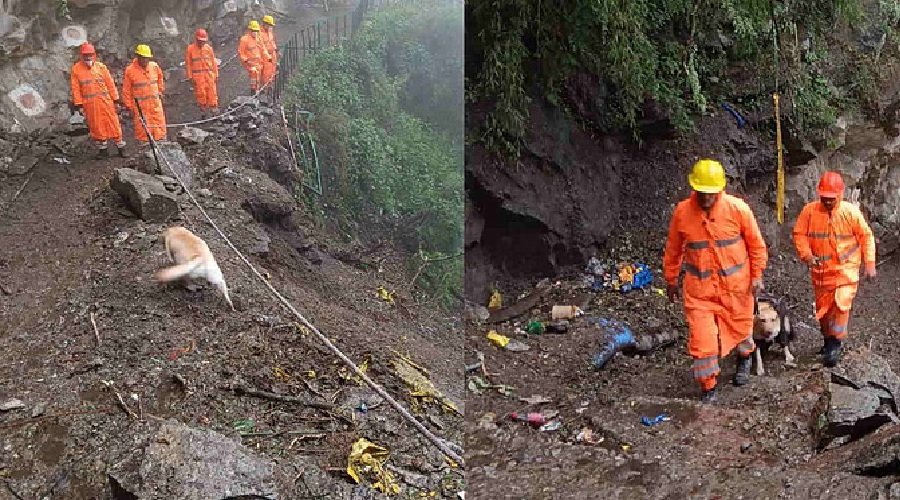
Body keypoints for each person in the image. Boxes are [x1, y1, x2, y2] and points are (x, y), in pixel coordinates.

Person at [663, 159, 768, 403]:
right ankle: (708, 387)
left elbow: (756, 246)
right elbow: (673, 250)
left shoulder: (737, 209)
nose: (706, 198)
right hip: (699, 293)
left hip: (737, 288)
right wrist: (670, 279)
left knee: (742, 331)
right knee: (703, 343)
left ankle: (745, 359)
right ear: (694, 189)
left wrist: (757, 276)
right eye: (702, 193)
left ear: (720, 190)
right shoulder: (682, 213)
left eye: (711, 193)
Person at [792, 171, 876, 367]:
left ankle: (835, 343)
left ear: (840, 195)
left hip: (846, 272)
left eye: (831, 198)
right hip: (821, 275)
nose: (828, 201)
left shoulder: (850, 213)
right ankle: (828, 339)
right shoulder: (810, 212)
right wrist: (807, 256)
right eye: (824, 198)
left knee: (841, 306)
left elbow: (866, 237)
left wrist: (869, 263)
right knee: (825, 312)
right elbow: (799, 234)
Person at [69, 42, 127, 158]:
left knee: (113, 123)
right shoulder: (76, 69)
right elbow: (76, 89)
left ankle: (121, 147)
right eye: (86, 55)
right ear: (82, 55)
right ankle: (103, 149)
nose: (88, 57)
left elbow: (110, 84)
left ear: (94, 55)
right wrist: (79, 105)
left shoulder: (101, 67)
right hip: (90, 104)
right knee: (96, 126)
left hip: (105, 101)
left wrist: (116, 100)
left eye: (90, 54)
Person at [122, 44, 167, 143]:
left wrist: (160, 91)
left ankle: (161, 141)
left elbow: (160, 78)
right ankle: (145, 146)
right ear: (138, 57)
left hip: (155, 103)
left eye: (147, 58)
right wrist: (129, 106)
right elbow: (126, 90)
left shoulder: (154, 66)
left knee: (159, 122)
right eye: (143, 58)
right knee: (142, 128)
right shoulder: (130, 70)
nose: (145, 60)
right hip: (140, 106)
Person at [185, 28, 219, 117]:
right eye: (200, 41)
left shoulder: (208, 49)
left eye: (203, 41)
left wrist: (216, 74)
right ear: (196, 39)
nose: (202, 43)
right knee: (201, 93)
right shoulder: (190, 49)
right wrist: (190, 77)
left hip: (209, 74)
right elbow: (189, 64)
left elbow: (213, 62)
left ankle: (213, 109)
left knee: (212, 91)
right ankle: (203, 111)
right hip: (198, 76)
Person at [238, 20, 270, 94]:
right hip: (250, 64)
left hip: (259, 62)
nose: (255, 32)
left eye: (256, 31)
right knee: (254, 77)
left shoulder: (258, 38)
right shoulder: (244, 40)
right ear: (250, 30)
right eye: (253, 31)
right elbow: (241, 52)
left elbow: (263, 49)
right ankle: (253, 92)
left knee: (260, 77)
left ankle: (258, 91)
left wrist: (269, 58)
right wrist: (246, 61)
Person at [260, 15, 278, 90]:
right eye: (269, 25)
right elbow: (261, 47)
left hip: (272, 53)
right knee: (266, 72)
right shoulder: (259, 34)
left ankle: (271, 84)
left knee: (273, 69)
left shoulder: (270, 31)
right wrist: (267, 55)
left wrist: (275, 49)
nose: (270, 27)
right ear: (265, 24)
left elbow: (272, 41)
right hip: (265, 56)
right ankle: (266, 87)